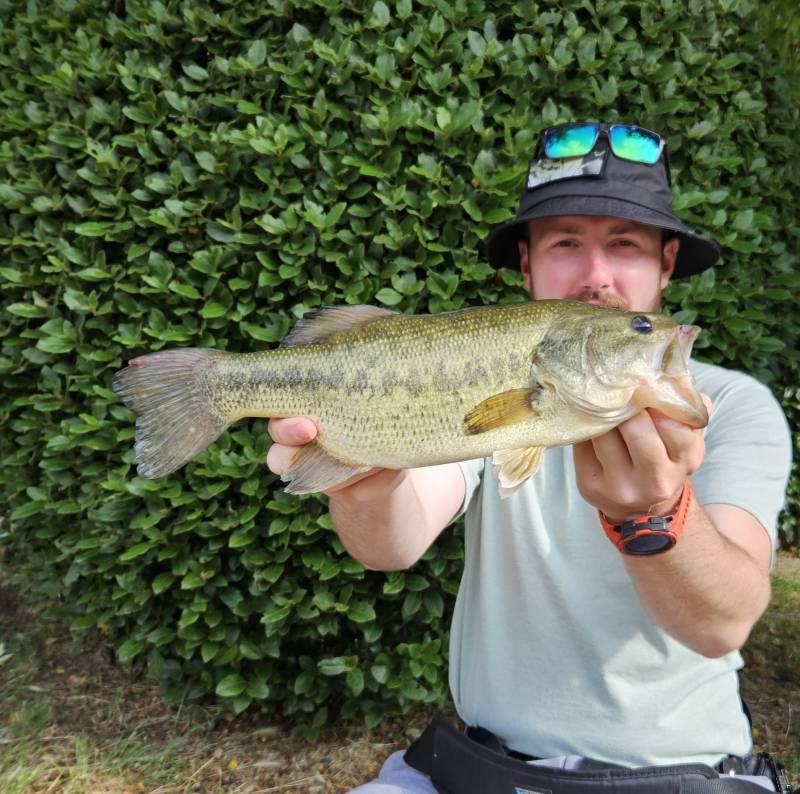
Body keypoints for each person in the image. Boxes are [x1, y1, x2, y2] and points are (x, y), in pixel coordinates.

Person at [266, 122, 793, 793]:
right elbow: (390, 544)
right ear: (527, 265)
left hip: (680, 776)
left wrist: (659, 515)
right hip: (479, 767)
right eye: (566, 243)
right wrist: (364, 477)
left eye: (624, 245)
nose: (596, 276)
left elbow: (726, 623)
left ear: (666, 263)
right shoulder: (510, 378)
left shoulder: (735, 404)